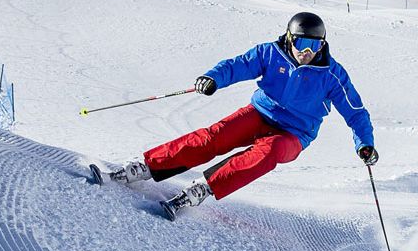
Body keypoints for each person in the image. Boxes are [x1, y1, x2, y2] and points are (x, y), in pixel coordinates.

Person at [99, 12, 377, 213]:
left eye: (314, 46)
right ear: (290, 38)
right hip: (260, 113)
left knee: (268, 153)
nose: (307, 52)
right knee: (215, 137)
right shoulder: (270, 53)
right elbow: (237, 66)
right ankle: (146, 166)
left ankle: (203, 188)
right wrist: (213, 78)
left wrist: (364, 144)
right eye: (302, 44)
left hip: (295, 133)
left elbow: (356, 113)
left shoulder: (331, 74)